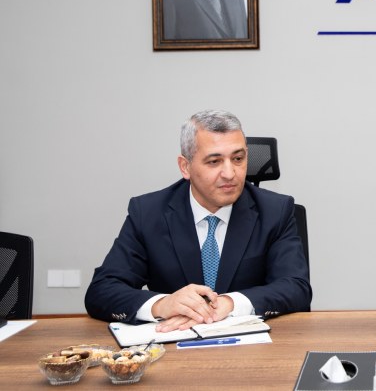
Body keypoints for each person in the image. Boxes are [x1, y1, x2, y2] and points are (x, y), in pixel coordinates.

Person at [85, 110, 311, 331]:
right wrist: (162, 304)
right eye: (214, 161)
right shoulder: (148, 213)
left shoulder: (275, 211)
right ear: (185, 167)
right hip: (174, 342)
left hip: (251, 346)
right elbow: (102, 290)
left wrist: (231, 303)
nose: (230, 173)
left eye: (238, 159)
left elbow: (296, 287)